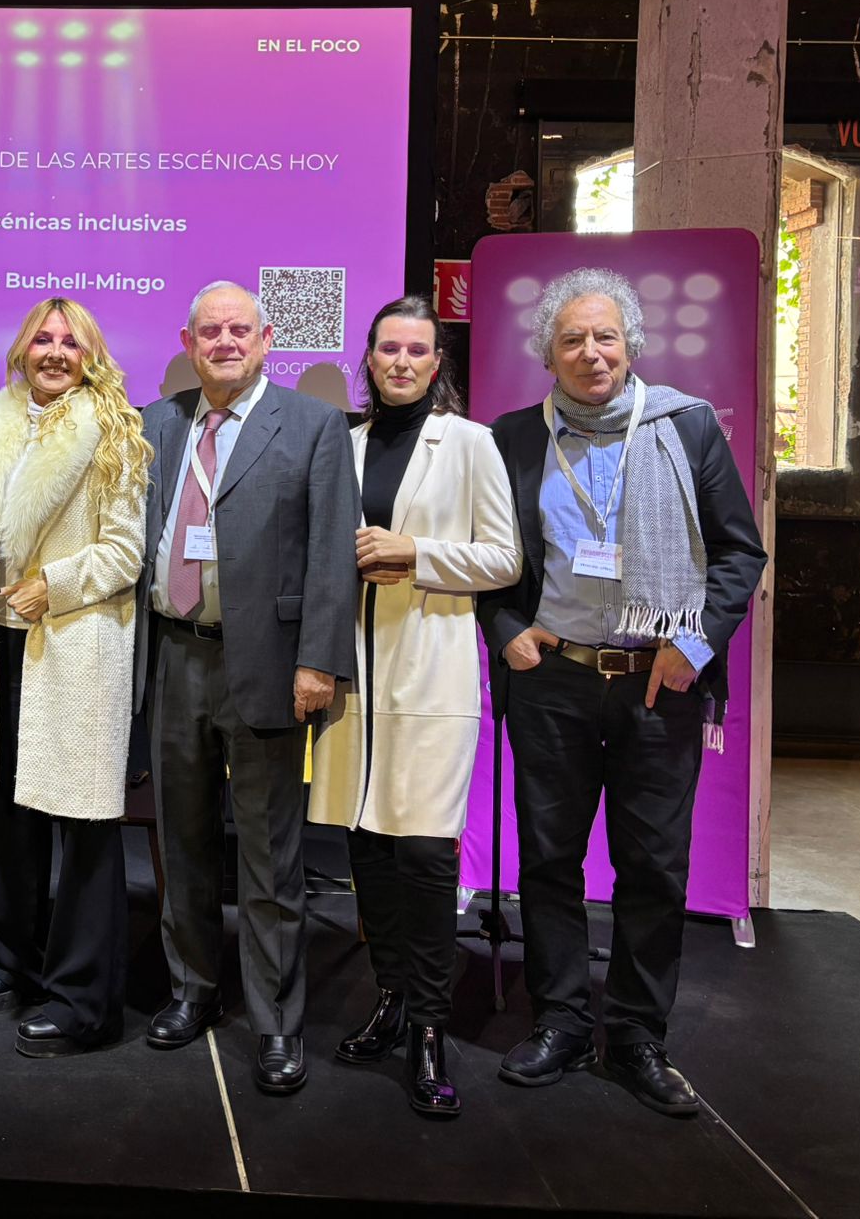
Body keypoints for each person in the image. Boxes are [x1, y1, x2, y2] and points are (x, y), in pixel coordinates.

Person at [478, 267, 765, 1117]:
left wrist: (694, 645)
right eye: (572, 339)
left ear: (631, 346)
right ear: (548, 356)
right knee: (549, 859)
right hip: (553, 679)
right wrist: (509, 635)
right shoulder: (513, 439)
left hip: (657, 685)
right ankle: (562, 1020)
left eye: (605, 337)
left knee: (653, 867)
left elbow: (738, 552)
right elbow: (491, 560)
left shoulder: (687, 427)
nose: (591, 353)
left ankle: (638, 1034)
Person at [136, 281, 358, 1096]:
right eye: (210, 332)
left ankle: (275, 1021)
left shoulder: (313, 424)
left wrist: (320, 662)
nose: (225, 342)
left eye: (239, 331)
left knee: (270, 858)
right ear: (187, 341)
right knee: (184, 845)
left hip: (267, 662)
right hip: (173, 656)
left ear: (266, 339)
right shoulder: (160, 425)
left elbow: (334, 551)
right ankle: (193, 991)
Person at [306, 296, 520, 1119]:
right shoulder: (343, 444)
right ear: (369, 358)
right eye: (387, 348)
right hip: (350, 678)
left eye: (417, 351)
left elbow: (503, 558)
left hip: (430, 675)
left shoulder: (471, 444)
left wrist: (415, 552)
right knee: (368, 851)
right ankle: (391, 996)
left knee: (427, 857)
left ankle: (430, 1025)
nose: (400, 361)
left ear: (437, 365)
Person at [0, 297, 150, 1057]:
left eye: (72, 342)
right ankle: (9, 962)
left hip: (74, 646)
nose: (56, 351)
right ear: (21, 349)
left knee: (85, 825)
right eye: (44, 338)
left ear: (91, 354)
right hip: (2, 645)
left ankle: (81, 998)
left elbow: (125, 551)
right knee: (9, 814)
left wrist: (56, 584)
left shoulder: (114, 434)